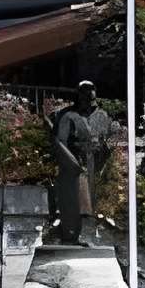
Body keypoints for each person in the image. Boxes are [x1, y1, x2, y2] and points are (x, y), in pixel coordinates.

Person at [46, 81, 111, 246]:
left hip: (94, 164)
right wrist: (72, 162)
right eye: (84, 94)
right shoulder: (67, 115)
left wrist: (103, 159)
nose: (88, 99)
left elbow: (104, 141)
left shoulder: (102, 115)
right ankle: (71, 235)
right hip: (74, 165)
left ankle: (88, 234)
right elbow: (59, 142)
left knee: (93, 201)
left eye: (91, 94)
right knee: (74, 200)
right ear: (79, 95)